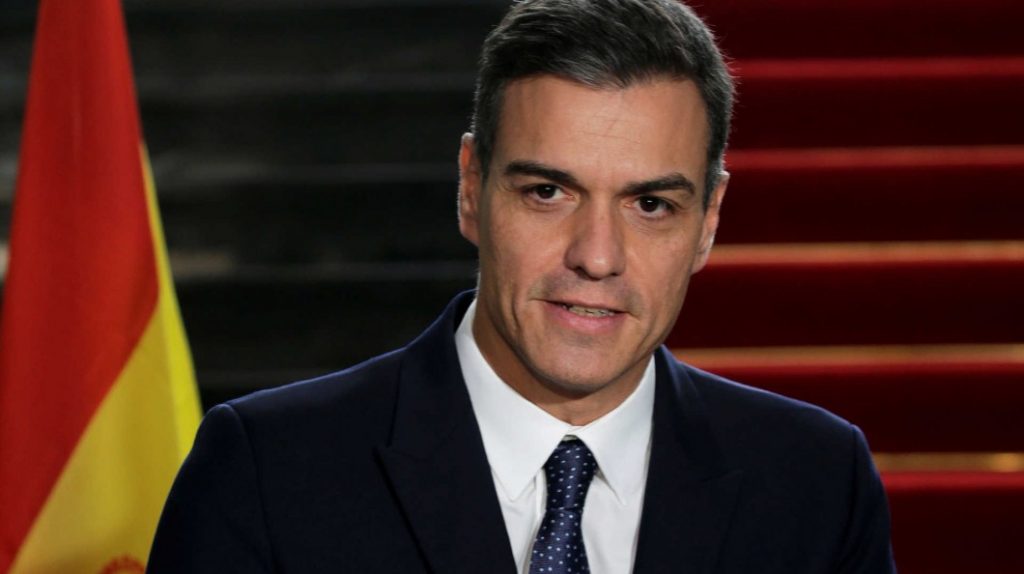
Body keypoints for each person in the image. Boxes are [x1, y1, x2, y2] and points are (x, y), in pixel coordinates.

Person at [149, 0, 896, 572]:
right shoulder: (268, 472)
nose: (597, 258)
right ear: (471, 188)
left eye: (650, 205)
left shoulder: (816, 482)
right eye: (548, 192)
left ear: (708, 221)